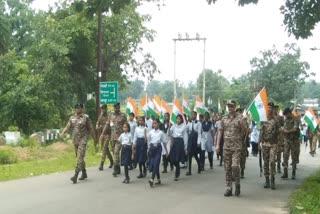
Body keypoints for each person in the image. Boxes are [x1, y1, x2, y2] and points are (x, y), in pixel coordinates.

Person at [216, 100, 247, 197]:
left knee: (235, 166)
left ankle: (237, 184)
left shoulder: (240, 118)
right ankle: (228, 187)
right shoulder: (224, 118)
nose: (230, 108)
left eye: (232, 106)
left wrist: (242, 125)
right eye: (228, 106)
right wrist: (217, 145)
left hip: (237, 147)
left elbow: (245, 132)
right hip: (226, 147)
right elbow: (220, 131)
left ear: (235, 107)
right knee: (227, 168)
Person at [60, 103, 96, 184]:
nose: (77, 109)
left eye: (79, 108)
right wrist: (63, 133)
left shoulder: (86, 118)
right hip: (75, 140)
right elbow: (67, 126)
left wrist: (95, 139)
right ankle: (84, 172)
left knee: (79, 157)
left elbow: (91, 128)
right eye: (76, 108)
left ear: (82, 109)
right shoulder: (72, 118)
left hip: (83, 140)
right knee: (79, 157)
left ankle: (75, 176)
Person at [100, 102, 127, 176]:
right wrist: (102, 133)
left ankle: (115, 169)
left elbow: (126, 126)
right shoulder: (111, 115)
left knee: (116, 152)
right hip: (113, 137)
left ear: (119, 107)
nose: (116, 108)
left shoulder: (123, 115)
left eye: (117, 107)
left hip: (120, 138)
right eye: (114, 107)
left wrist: (126, 136)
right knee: (114, 153)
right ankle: (117, 167)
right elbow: (107, 125)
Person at [259, 102, 278, 190]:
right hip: (265, 144)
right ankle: (267, 180)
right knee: (266, 162)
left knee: (272, 161)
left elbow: (279, 131)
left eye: (270, 107)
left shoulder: (276, 120)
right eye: (268, 107)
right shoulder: (263, 120)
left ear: (273, 109)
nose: (269, 109)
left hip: (273, 143)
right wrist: (259, 143)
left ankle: (273, 180)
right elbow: (261, 132)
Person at [147, 118, 168, 187]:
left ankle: (152, 179)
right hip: (152, 149)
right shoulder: (150, 132)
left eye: (156, 123)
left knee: (156, 163)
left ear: (158, 124)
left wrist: (166, 151)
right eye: (153, 123)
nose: (154, 124)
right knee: (154, 165)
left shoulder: (161, 133)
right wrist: (148, 148)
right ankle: (158, 179)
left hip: (158, 149)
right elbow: (148, 141)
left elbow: (164, 142)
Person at [281, 107, 300, 180]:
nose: (285, 116)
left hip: (294, 141)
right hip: (286, 140)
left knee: (293, 157)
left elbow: (295, 129)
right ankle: (285, 173)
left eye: (286, 115)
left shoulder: (296, 119)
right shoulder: (286, 120)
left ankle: (293, 173)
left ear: (289, 113)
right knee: (285, 156)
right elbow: (284, 127)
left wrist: (287, 131)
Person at [170, 114, 188, 181]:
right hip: (174, 142)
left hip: (180, 142)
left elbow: (185, 137)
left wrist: (185, 147)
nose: (178, 120)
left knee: (177, 159)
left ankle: (176, 174)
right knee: (171, 158)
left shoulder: (184, 126)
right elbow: (170, 133)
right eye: (177, 119)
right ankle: (178, 168)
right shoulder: (174, 125)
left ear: (181, 120)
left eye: (179, 119)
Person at [97, 104, 113, 170]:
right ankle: (112, 161)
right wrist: (97, 125)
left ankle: (101, 164)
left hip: (108, 134)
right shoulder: (101, 115)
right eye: (102, 109)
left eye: (104, 109)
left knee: (104, 148)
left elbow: (111, 125)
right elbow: (98, 121)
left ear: (106, 109)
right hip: (102, 134)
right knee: (106, 149)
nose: (103, 110)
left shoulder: (109, 115)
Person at [185, 111, 201, 175]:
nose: (192, 116)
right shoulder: (189, 123)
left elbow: (199, 133)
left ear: (196, 115)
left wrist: (198, 142)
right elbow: (186, 129)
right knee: (189, 155)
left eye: (194, 115)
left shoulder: (198, 123)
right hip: (190, 139)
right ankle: (189, 170)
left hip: (195, 139)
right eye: (192, 115)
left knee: (195, 155)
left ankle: (199, 165)